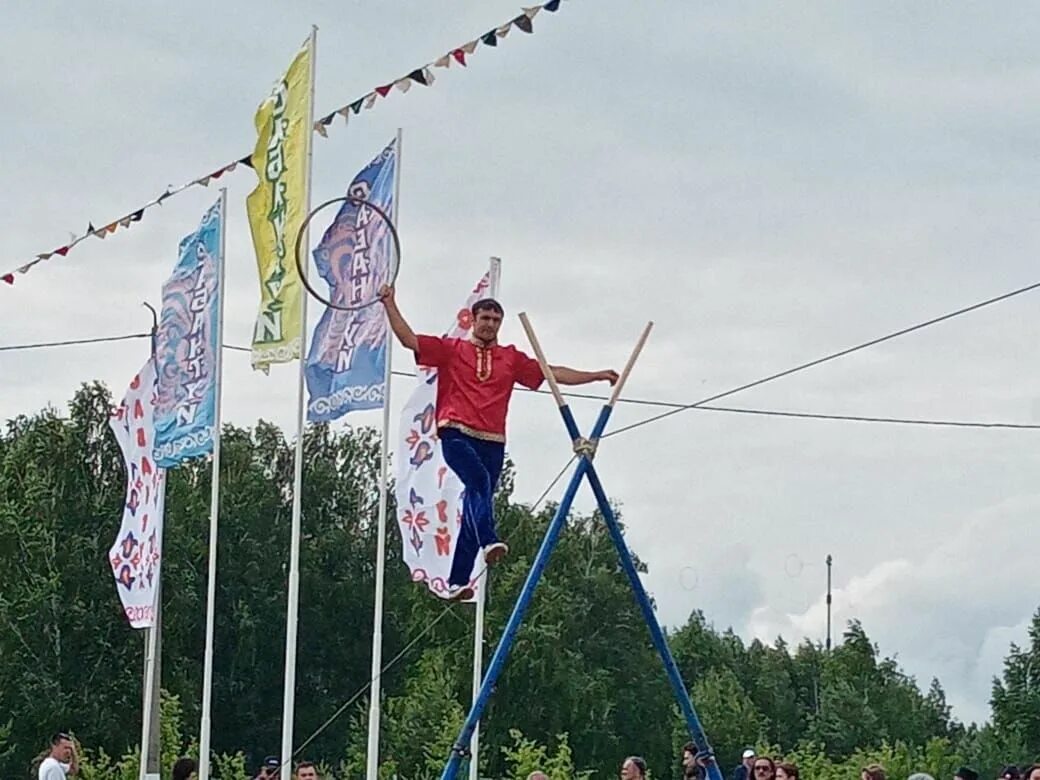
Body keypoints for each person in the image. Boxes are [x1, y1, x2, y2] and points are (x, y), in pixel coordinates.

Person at [379, 285, 618, 599]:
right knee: (477, 481)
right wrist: (389, 302)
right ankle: (488, 539)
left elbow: (552, 372)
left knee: (475, 504)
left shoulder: (510, 358)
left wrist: (596, 375)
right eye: (485, 317)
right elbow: (409, 340)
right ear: (474, 319)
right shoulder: (452, 349)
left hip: (492, 439)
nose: (490, 324)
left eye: (495, 319)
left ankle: (456, 582)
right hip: (456, 431)